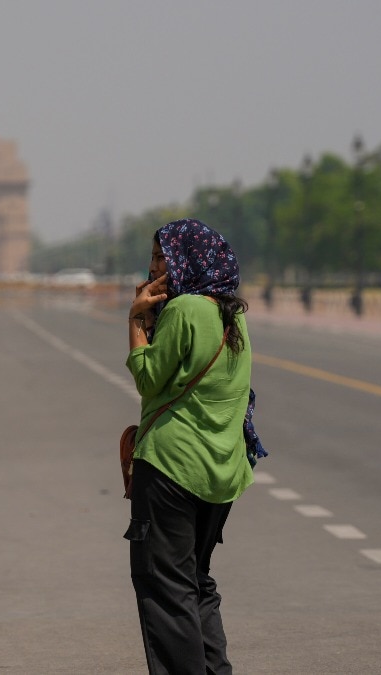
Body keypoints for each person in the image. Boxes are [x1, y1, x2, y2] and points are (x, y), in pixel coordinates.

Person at [124, 219, 254, 675]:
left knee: (165, 588)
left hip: (171, 469)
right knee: (195, 582)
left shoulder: (183, 311)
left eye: (163, 256)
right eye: (155, 256)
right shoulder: (232, 314)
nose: (155, 265)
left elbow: (147, 378)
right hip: (221, 473)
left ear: (187, 259)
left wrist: (138, 321)